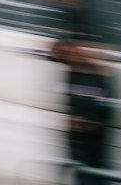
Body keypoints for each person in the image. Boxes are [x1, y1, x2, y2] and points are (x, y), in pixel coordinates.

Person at [50, 38, 117, 185]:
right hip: (80, 146)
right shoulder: (73, 72)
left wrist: (79, 122)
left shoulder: (88, 73)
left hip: (89, 146)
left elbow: (97, 116)